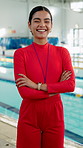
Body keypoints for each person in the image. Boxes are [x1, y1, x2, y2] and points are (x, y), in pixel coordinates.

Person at [14, 6, 75, 148]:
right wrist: (57, 88)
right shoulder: (21, 54)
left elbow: (70, 85)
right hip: (29, 118)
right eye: (37, 21)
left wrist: (37, 86)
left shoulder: (62, 53)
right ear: (29, 25)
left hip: (55, 118)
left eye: (47, 21)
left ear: (51, 25)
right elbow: (25, 92)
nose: (42, 25)